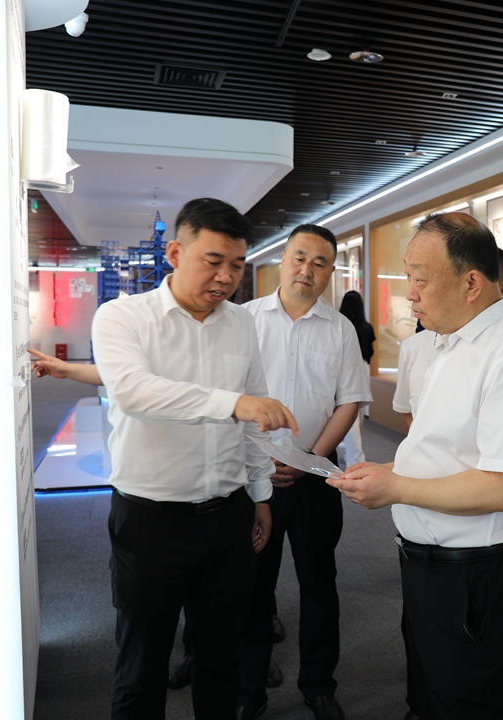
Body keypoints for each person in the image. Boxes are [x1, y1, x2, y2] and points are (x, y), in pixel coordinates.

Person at [330, 212, 503, 720]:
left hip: (476, 577)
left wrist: (396, 488)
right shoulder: (452, 343)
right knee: (433, 697)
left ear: (471, 284)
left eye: (419, 278)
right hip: (432, 567)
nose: (409, 294)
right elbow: (446, 451)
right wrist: (391, 472)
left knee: (472, 703)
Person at [90, 197, 297, 720]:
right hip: (150, 522)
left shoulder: (241, 324)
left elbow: (253, 420)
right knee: (142, 667)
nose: (226, 277)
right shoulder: (123, 317)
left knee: (220, 661)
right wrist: (232, 403)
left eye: (237, 264)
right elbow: (134, 393)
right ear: (175, 253)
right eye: (214, 261)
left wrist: (260, 496)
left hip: (227, 518)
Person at [238, 223, 373, 720]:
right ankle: (248, 690)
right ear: (282, 259)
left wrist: (309, 459)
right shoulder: (245, 320)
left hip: (313, 479)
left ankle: (318, 685)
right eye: (299, 258)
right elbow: (230, 396)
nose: (307, 270)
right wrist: (259, 463)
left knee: (319, 584)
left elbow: (348, 402)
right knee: (253, 587)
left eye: (319, 263)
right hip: (253, 480)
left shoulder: (341, 330)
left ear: (331, 271)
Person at [337, 290, 375, 466]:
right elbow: (370, 353)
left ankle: (354, 457)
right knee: (357, 415)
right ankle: (354, 456)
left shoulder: (338, 327)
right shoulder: (366, 328)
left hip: (343, 370)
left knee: (346, 414)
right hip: (363, 369)